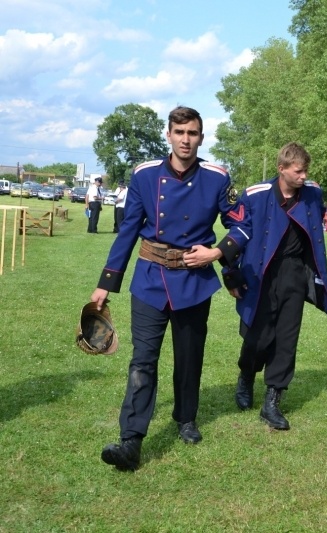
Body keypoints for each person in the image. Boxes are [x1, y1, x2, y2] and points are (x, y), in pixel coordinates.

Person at [91, 106, 242, 471]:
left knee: (189, 357)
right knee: (143, 360)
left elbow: (241, 225)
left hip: (194, 283)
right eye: (179, 132)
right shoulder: (144, 176)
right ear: (169, 135)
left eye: (192, 133)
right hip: (149, 280)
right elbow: (127, 231)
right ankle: (131, 440)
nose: (185, 140)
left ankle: (186, 417)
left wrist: (217, 252)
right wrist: (105, 284)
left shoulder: (218, 178)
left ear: (201, 138)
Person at [224, 142, 327, 430]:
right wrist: (230, 273)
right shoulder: (255, 195)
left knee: (287, 338)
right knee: (258, 337)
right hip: (260, 273)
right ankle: (246, 376)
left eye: (306, 171)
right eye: (298, 171)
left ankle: (272, 401)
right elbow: (237, 233)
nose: (303, 176)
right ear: (281, 169)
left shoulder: (313, 195)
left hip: (294, 273)